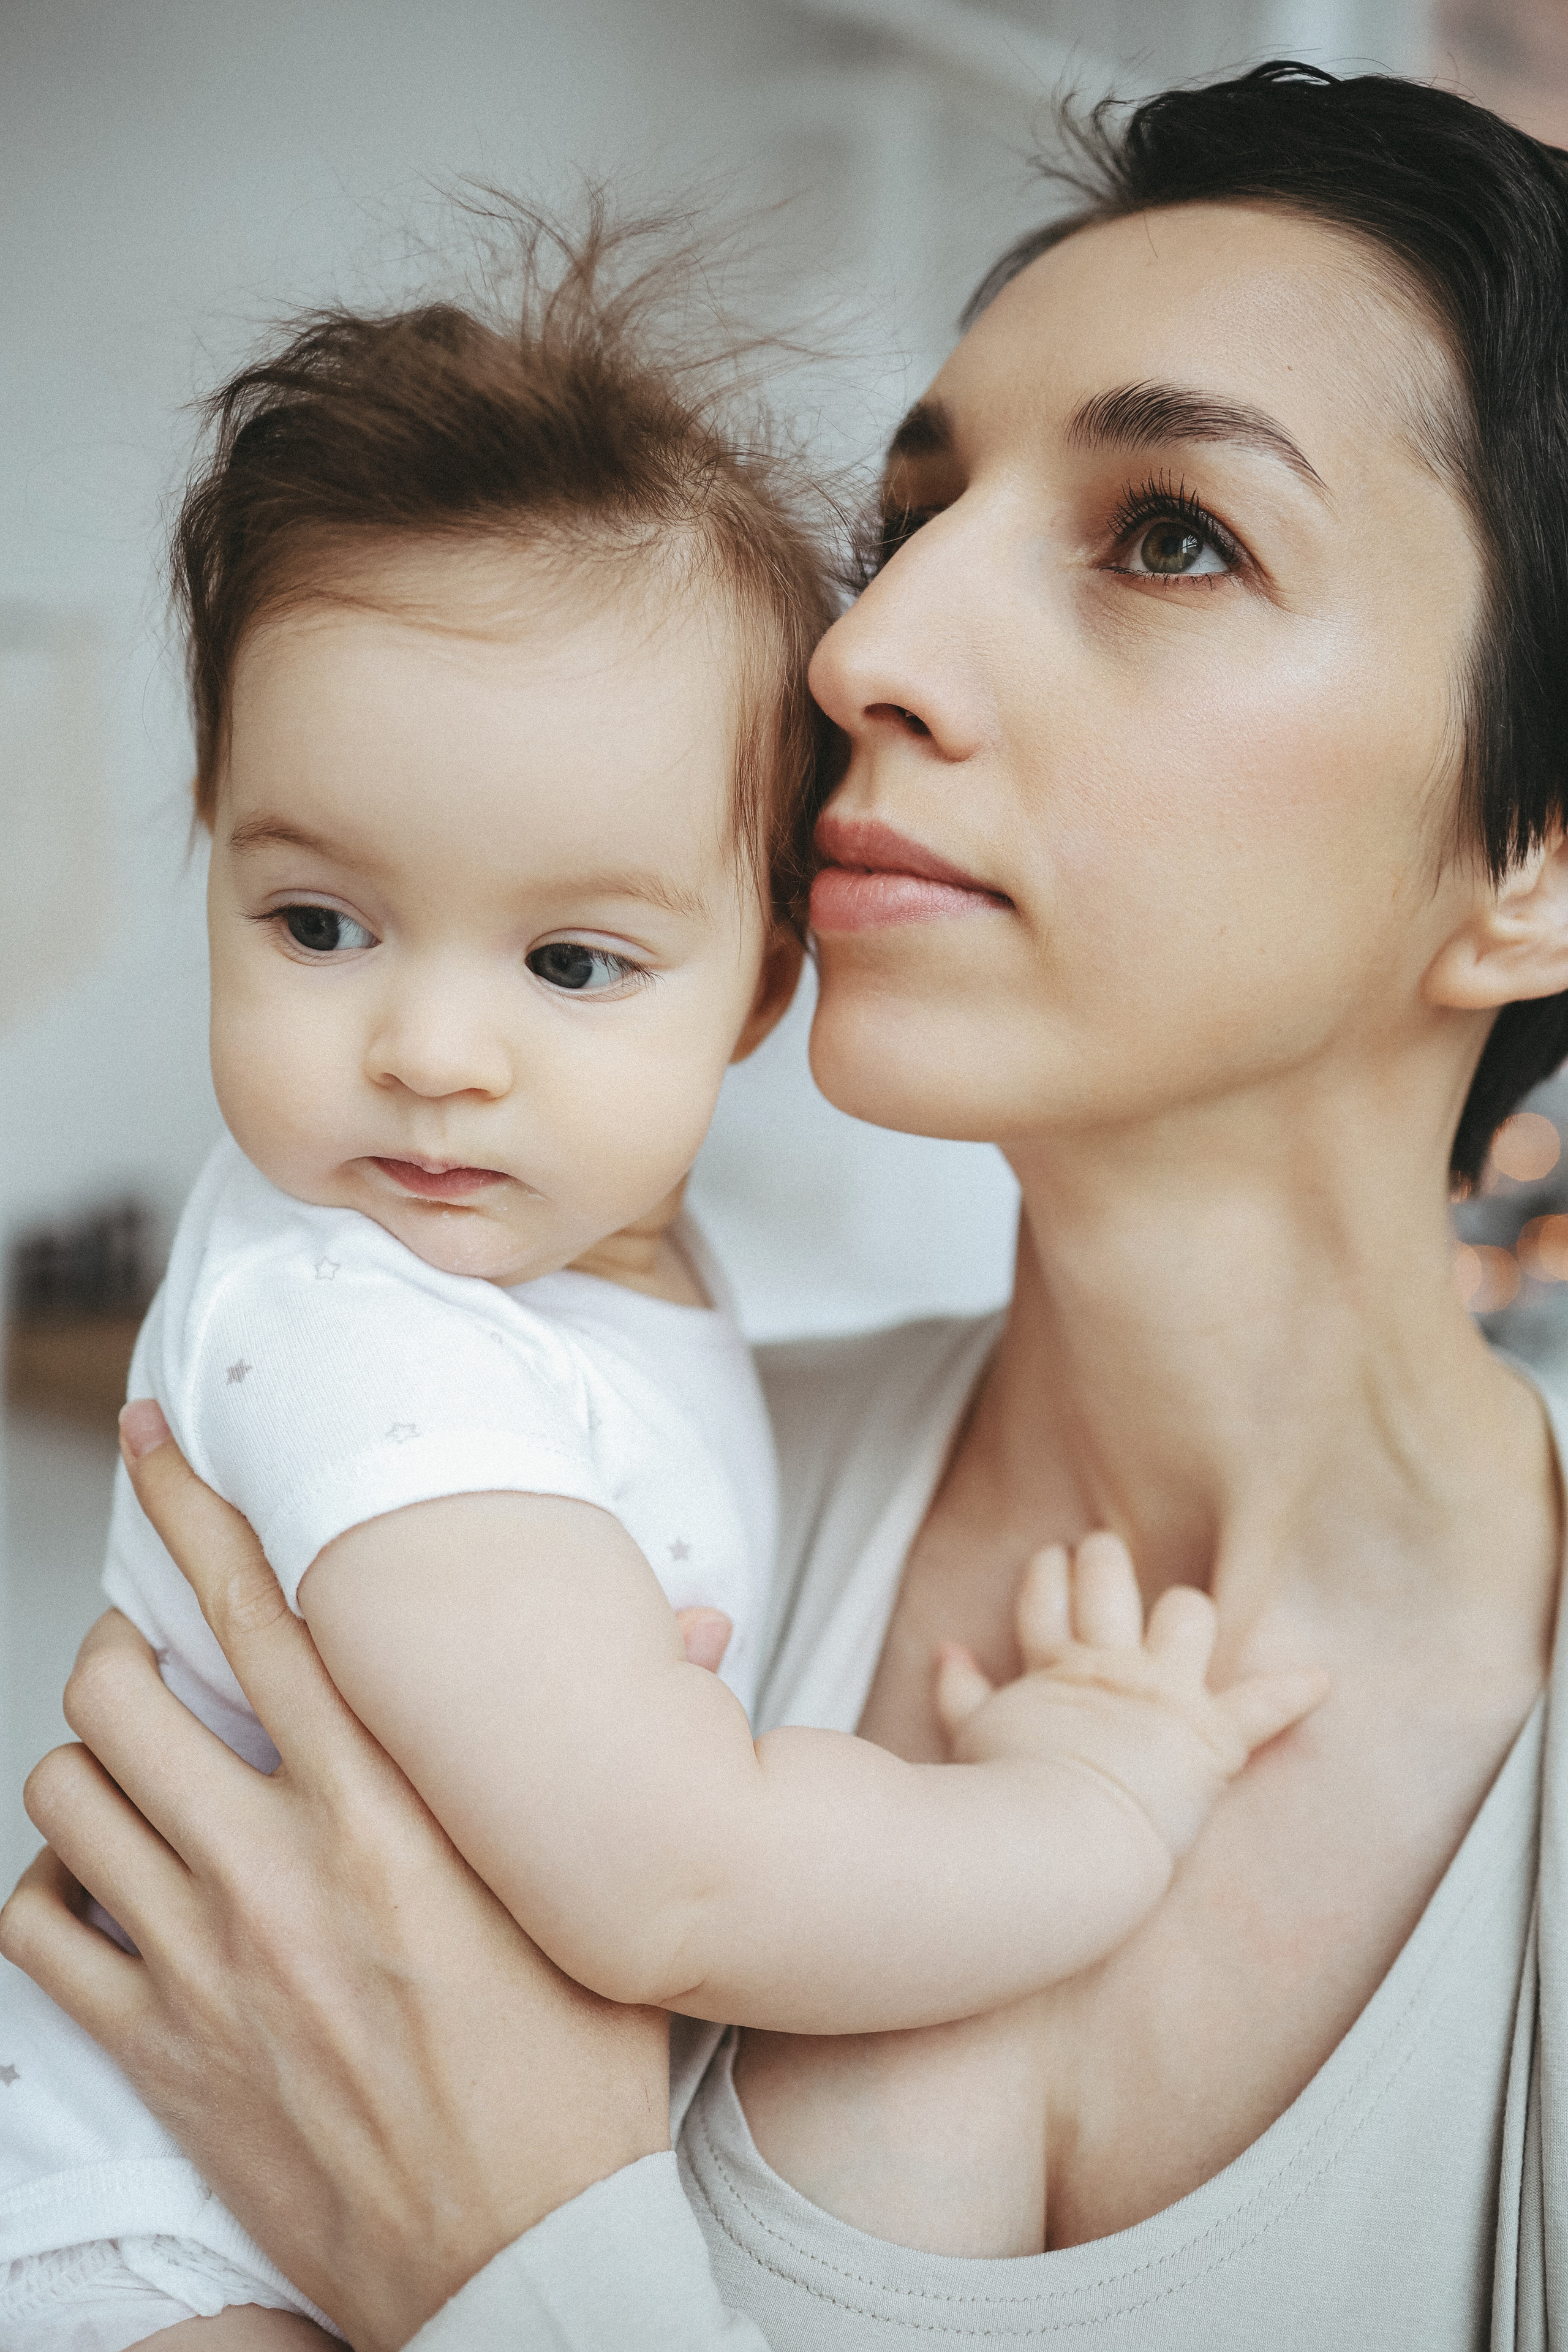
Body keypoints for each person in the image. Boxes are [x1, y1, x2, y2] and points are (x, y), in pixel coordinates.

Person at [6, 52, 1568, 2350]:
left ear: (1534, 862)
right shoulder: (532, 1488)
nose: (857, 654)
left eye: (1168, 535)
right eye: (901, 524)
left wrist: (517, 2267)